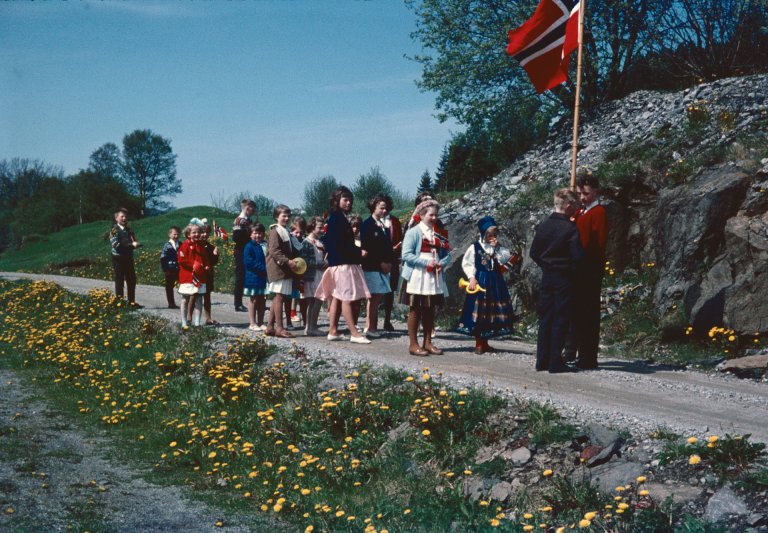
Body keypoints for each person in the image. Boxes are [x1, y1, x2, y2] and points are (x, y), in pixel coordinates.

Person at [529, 188, 583, 373]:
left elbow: (534, 252)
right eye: (575, 205)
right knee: (560, 318)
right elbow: (577, 257)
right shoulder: (570, 228)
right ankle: (555, 361)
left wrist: (546, 265)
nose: (577, 208)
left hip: (547, 276)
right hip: (564, 277)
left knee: (546, 317)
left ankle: (541, 360)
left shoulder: (544, 226)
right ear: (568, 206)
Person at [315, 186, 372, 344]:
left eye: (350, 200)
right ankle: (354, 333)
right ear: (336, 201)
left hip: (339, 263)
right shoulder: (337, 219)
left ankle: (333, 330)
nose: (349, 202)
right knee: (346, 298)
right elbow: (341, 244)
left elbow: (332, 242)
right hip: (343, 264)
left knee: (337, 298)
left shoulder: (337, 218)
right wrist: (358, 252)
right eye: (345, 199)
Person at [564, 173, 609, 370]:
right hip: (578, 267)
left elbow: (598, 243)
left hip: (589, 268)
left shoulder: (598, 212)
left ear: (596, 193)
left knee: (589, 313)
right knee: (577, 311)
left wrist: (585, 261)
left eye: (587, 194)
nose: (583, 197)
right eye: (581, 193)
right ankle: (573, 350)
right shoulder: (582, 211)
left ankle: (588, 356)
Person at [456, 216, 518, 354]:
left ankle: (486, 342)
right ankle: (479, 343)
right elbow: (467, 263)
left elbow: (506, 259)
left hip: (495, 282)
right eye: (489, 234)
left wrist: (497, 249)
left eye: (494, 234)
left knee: (491, 312)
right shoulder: (475, 247)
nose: (492, 237)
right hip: (481, 280)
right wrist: (471, 277)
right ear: (483, 233)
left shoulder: (497, 248)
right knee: (480, 312)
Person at [401, 199, 451, 356]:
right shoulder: (414, 232)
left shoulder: (439, 233)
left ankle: (428, 342)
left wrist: (442, 263)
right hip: (418, 274)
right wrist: (425, 263)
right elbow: (406, 255)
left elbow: (447, 254)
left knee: (430, 309)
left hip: (433, 275)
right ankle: (413, 344)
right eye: (431, 215)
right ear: (422, 215)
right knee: (415, 309)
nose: (434, 218)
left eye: (436, 215)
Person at [360, 193, 394, 338]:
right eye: (381, 208)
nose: (384, 211)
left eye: (386, 208)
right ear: (374, 207)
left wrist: (389, 262)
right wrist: (381, 263)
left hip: (382, 267)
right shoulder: (367, 225)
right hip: (371, 267)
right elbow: (368, 248)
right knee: (374, 298)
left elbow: (387, 247)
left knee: (377, 297)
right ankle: (371, 327)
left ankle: (371, 326)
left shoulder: (383, 226)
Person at [265, 204, 300, 338]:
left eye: (288, 216)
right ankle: (279, 327)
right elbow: (274, 251)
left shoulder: (285, 231)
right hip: (278, 269)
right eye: (283, 216)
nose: (286, 218)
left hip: (284, 269)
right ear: (276, 217)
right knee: (279, 297)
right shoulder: (275, 231)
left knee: (278, 297)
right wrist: (288, 261)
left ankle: (270, 326)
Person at [178, 219, 211, 328]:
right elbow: (181, 260)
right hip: (187, 276)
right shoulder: (185, 245)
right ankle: (184, 322)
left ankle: (197, 323)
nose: (197, 234)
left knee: (198, 299)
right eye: (194, 232)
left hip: (200, 276)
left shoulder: (201, 245)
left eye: (198, 232)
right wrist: (193, 265)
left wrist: (206, 265)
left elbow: (205, 258)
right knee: (185, 298)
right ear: (188, 234)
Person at [300, 216, 328, 336]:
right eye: (319, 228)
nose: (322, 230)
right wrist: (318, 264)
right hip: (312, 275)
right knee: (314, 301)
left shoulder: (320, 242)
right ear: (312, 228)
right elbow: (304, 261)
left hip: (319, 274)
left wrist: (325, 263)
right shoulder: (306, 243)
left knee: (315, 301)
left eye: (323, 228)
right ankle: (312, 327)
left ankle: (310, 326)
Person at [110, 208, 142, 307]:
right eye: (122, 216)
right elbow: (116, 245)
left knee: (131, 279)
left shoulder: (129, 230)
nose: (124, 218)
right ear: (116, 218)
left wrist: (136, 244)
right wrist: (131, 245)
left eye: (126, 217)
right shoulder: (114, 230)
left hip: (128, 258)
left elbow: (134, 241)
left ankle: (131, 302)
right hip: (118, 258)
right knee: (119, 279)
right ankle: (119, 302)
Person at [381, 199, 403, 332]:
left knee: (390, 290)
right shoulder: (373, 221)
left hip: (393, 259)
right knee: (375, 290)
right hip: (377, 259)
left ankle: (387, 320)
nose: (384, 210)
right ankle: (370, 322)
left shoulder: (395, 221)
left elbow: (399, 238)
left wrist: (397, 251)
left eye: (386, 207)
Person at [232, 199, 256, 312]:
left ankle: (255, 300)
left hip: (249, 250)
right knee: (240, 276)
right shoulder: (239, 220)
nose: (253, 211)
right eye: (252, 209)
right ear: (247, 208)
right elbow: (236, 238)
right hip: (241, 251)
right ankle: (238, 303)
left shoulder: (249, 220)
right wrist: (248, 237)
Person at [243, 224, 268, 332]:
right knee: (254, 299)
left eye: (260, 233)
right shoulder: (249, 246)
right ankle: (252, 323)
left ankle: (261, 322)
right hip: (253, 277)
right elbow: (249, 263)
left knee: (262, 300)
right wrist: (264, 268)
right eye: (255, 233)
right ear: (250, 234)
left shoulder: (265, 245)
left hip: (263, 277)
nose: (258, 235)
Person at [201, 223, 220, 325]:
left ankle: (208, 318)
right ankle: (191, 318)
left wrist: (215, 255)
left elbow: (213, 262)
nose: (205, 234)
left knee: (207, 296)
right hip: (197, 275)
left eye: (207, 232)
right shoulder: (194, 245)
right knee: (194, 297)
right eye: (203, 232)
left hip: (207, 275)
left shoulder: (210, 247)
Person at [160, 226, 180, 309]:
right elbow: (163, 258)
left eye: (177, 234)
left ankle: (187, 301)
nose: (176, 236)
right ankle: (171, 303)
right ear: (170, 235)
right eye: (174, 234)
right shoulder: (167, 245)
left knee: (183, 284)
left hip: (179, 268)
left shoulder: (180, 244)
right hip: (170, 268)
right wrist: (165, 269)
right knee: (169, 286)